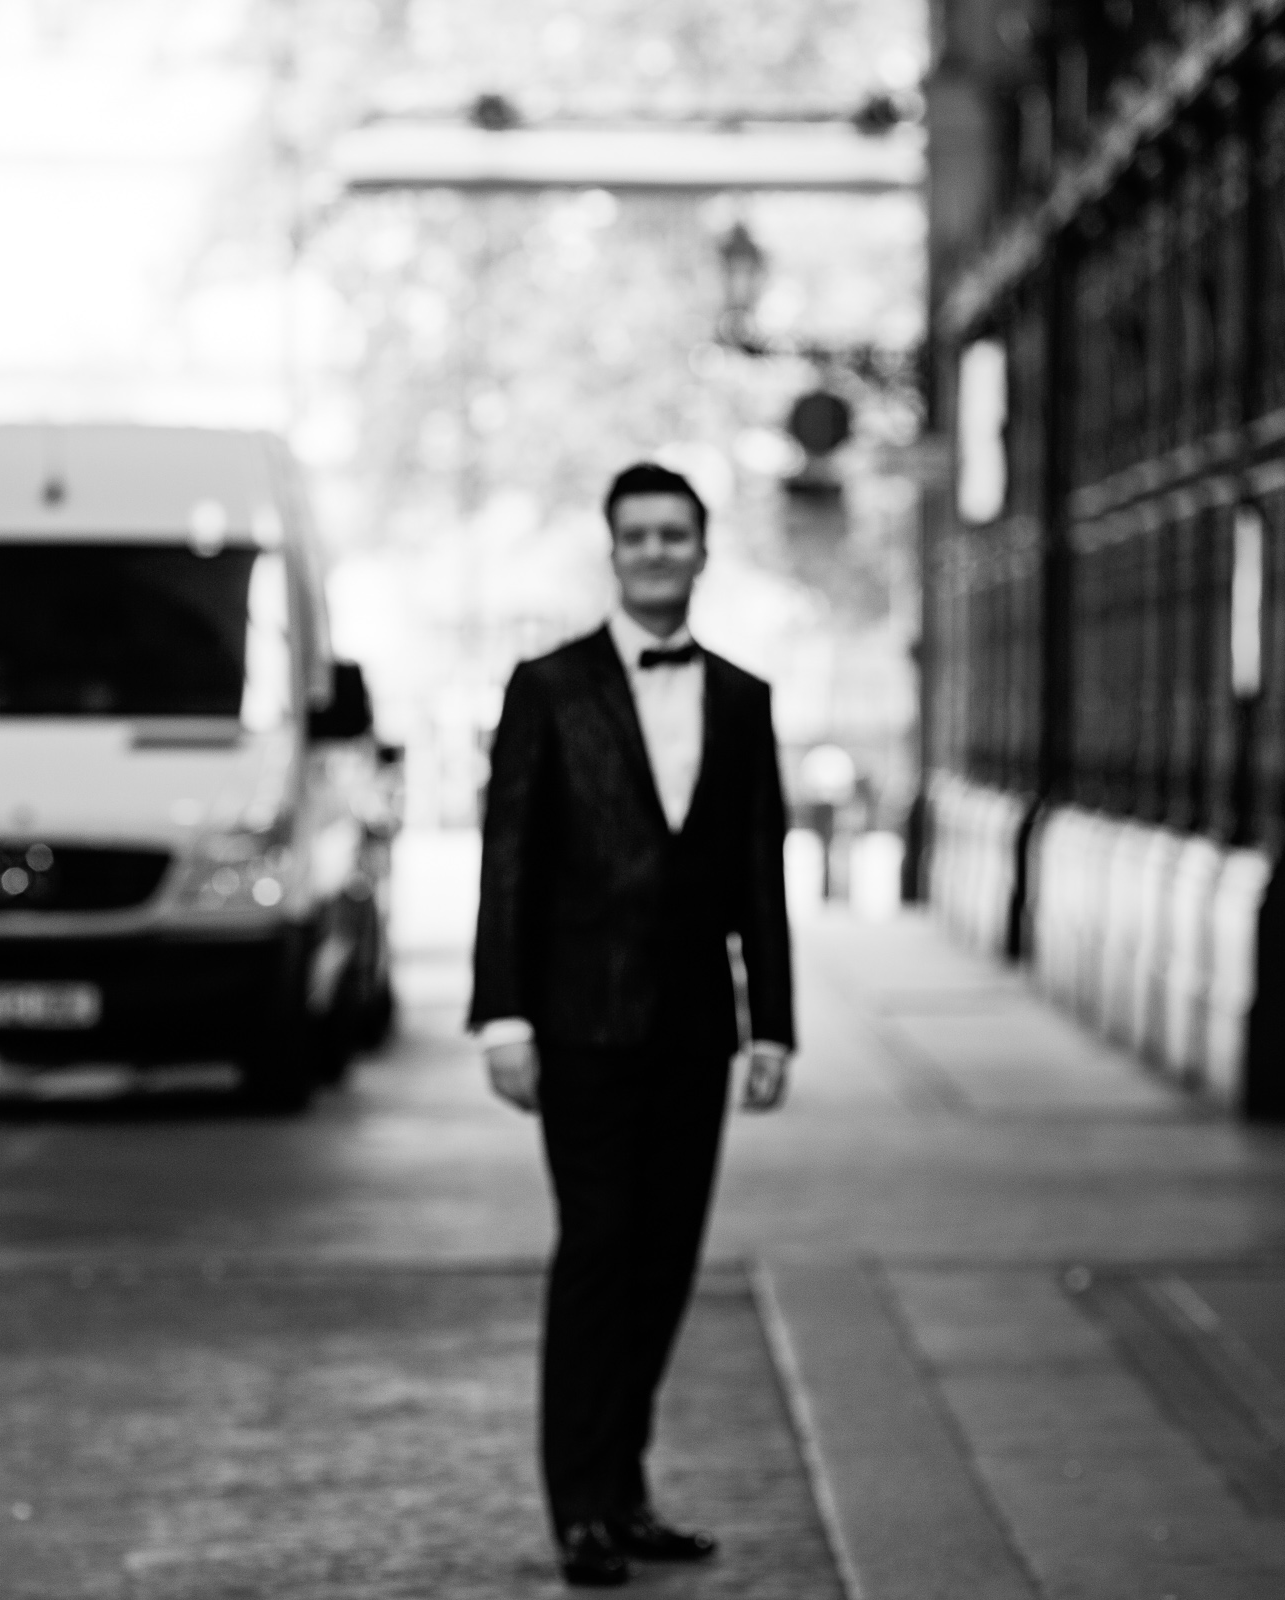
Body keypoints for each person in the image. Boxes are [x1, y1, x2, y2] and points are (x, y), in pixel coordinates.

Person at [470, 462, 794, 1589]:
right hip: (580, 1026)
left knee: (665, 1263)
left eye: (676, 535)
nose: (656, 552)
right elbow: (507, 858)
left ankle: (629, 1490)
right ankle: (580, 1510)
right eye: (637, 536)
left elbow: (761, 870)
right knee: (600, 1252)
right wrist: (501, 1015)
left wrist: (774, 1027)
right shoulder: (546, 686)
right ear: (613, 553)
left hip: (697, 1031)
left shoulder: (745, 698)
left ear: (703, 551)